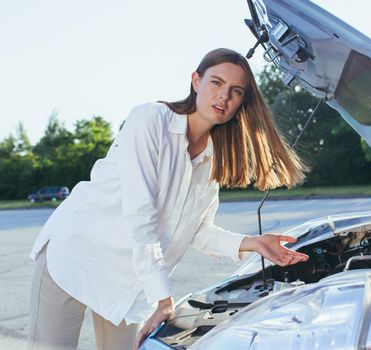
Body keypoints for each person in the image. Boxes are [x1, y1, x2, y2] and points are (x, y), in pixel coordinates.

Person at [27, 48, 309, 350]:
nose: (223, 97)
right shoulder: (149, 120)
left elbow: (197, 231)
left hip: (125, 281)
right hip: (76, 255)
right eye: (216, 82)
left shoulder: (213, 159)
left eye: (235, 91)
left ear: (241, 101)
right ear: (196, 81)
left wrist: (252, 243)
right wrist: (163, 299)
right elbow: (141, 215)